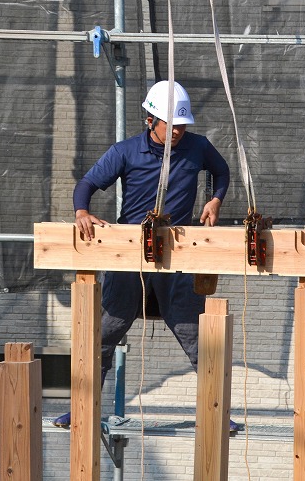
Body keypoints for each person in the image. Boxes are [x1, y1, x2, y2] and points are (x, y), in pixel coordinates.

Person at [52, 80, 240, 432]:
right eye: (174, 124)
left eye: (184, 125)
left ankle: (219, 413)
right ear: (151, 119)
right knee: (102, 338)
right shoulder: (126, 151)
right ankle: (79, 409)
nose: (180, 131)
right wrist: (81, 212)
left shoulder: (198, 147)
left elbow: (222, 171)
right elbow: (87, 185)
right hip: (129, 259)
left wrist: (215, 200)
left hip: (177, 257)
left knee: (198, 339)